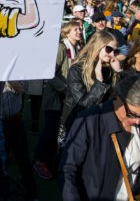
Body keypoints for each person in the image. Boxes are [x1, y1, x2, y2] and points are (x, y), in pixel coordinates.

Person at [59, 74, 140, 200]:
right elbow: (68, 169)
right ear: (118, 99)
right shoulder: (90, 120)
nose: (137, 122)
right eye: (132, 114)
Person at [33, 21, 81, 180]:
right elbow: (50, 73)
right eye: (75, 29)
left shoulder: (77, 48)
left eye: (80, 29)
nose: (79, 31)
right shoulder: (61, 48)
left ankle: (53, 160)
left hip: (67, 99)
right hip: (56, 98)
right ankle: (39, 160)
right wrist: (66, 88)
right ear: (67, 32)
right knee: (50, 130)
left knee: (61, 130)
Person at [59, 30, 123, 146]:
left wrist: (119, 72)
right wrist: (99, 83)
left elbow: (120, 97)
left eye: (115, 51)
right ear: (97, 46)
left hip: (99, 124)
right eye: (109, 49)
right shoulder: (77, 70)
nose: (112, 54)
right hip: (76, 123)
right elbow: (84, 105)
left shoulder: (110, 69)